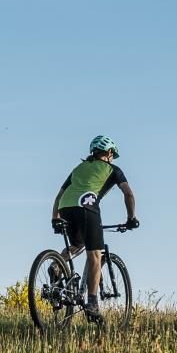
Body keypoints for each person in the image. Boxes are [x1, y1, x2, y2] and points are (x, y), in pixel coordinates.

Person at [51, 135, 139, 322]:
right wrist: (131, 218)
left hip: (65, 207)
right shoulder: (113, 169)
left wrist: (55, 218)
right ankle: (92, 303)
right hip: (87, 207)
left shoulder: (78, 168)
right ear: (109, 153)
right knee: (95, 255)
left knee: (77, 244)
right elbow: (129, 194)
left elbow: (59, 195)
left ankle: (57, 264)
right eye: (112, 154)